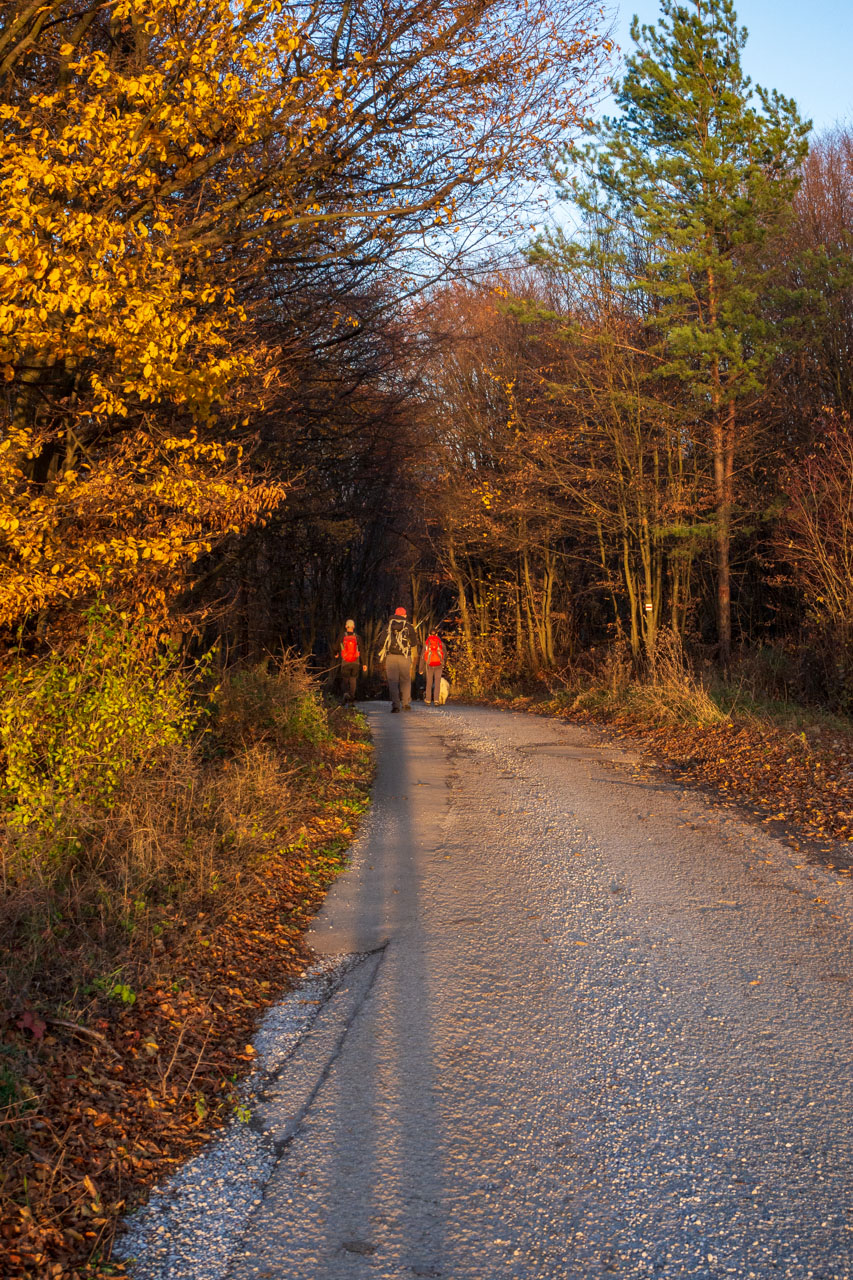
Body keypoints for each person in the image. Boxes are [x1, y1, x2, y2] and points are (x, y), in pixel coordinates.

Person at [379, 606, 418, 712]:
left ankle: (396, 705)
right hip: (404, 657)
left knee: (392, 681)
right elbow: (414, 643)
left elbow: (381, 642)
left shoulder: (388, 626)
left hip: (391, 657)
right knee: (405, 680)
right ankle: (406, 703)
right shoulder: (409, 627)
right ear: (404, 615)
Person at [337, 619, 367, 705]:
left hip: (345, 662)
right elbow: (362, 650)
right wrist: (364, 663)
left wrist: (336, 653)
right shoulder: (357, 637)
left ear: (346, 626)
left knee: (345, 679)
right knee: (353, 680)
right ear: (353, 627)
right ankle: (352, 699)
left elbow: (336, 647)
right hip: (355, 662)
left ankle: (346, 693)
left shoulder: (342, 636)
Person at [419, 629, 445, 705]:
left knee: (429, 683)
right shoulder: (441, 643)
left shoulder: (426, 644)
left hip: (429, 665)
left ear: (429, 634)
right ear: (437, 634)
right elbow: (445, 654)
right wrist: (443, 664)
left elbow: (422, 656)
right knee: (437, 683)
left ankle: (428, 700)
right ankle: (436, 700)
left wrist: (421, 668)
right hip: (439, 665)